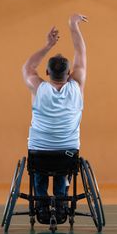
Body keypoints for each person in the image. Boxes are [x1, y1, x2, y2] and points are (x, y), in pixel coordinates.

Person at [22, 13, 87, 220]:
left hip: (38, 154)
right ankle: (60, 203)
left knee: (40, 164)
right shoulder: (76, 87)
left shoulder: (38, 87)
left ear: (47, 73)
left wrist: (48, 45)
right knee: (62, 165)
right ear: (69, 74)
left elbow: (28, 68)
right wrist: (73, 26)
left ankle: (41, 205)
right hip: (68, 154)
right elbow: (80, 53)